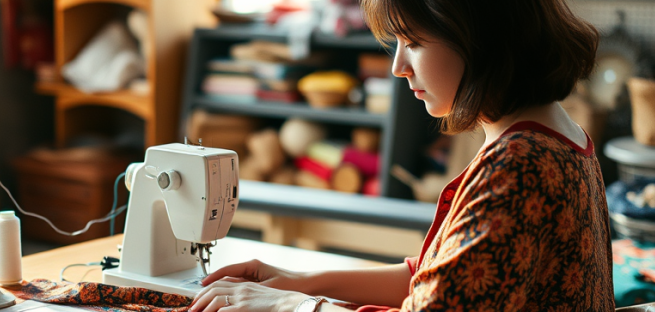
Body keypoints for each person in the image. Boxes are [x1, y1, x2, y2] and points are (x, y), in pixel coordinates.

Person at [191, 0, 615, 311]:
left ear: (479, 37)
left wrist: (290, 306)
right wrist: (296, 282)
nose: (398, 66)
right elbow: (438, 278)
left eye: (412, 42)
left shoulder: (518, 164)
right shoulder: (561, 139)